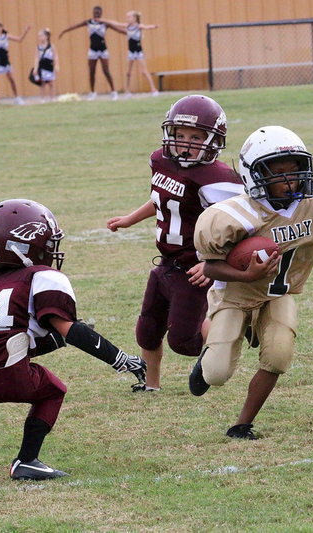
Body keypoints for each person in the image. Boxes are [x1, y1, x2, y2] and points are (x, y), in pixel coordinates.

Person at [0, 199, 146, 484]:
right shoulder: (42, 277)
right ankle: (27, 460)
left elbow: (2, 337)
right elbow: (71, 330)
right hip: (11, 374)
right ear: (25, 246)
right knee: (52, 390)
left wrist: (54, 341)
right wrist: (121, 360)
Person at [190, 126, 313, 439]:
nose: (289, 180)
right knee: (216, 374)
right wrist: (246, 274)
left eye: (293, 171)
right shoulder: (232, 215)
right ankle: (210, 353)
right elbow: (211, 267)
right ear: (252, 175)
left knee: (278, 357)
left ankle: (242, 424)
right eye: (278, 173)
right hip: (235, 295)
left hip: (278, 293)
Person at [106, 95, 244, 392]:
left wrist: (212, 263)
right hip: (166, 264)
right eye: (180, 135)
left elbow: (237, 227)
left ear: (214, 139)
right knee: (147, 330)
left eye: (196, 137)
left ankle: (222, 341)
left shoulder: (219, 179)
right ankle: (151, 385)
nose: (186, 143)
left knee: (183, 341)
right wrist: (132, 218)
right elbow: (163, 198)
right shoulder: (160, 160)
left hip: (192, 268)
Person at [59, 5, 118, 100]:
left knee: (106, 71)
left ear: (101, 14)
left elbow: (118, 29)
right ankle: (93, 92)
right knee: (91, 71)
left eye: (98, 13)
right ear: (93, 13)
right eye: (95, 13)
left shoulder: (105, 23)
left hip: (103, 50)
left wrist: (129, 33)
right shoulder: (88, 22)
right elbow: (75, 26)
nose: (96, 14)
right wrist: (64, 31)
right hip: (92, 50)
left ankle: (113, 92)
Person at [103, 10, 159, 97]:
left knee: (144, 71)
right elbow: (117, 23)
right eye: (127, 17)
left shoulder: (138, 26)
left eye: (129, 17)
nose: (127, 19)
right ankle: (127, 91)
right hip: (131, 52)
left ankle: (153, 89)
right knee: (128, 72)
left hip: (139, 51)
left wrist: (154, 26)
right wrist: (105, 21)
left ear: (135, 18)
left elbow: (147, 27)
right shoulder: (127, 26)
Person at [0, 21, 30, 105]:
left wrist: (26, 31)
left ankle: (17, 97)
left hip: (5, 60)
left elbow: (19, 39)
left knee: (11, 79)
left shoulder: (6, 36)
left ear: (1, 28)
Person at [33, 29, 58, 102]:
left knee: (51, 83)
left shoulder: (51, 46)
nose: (40, 37)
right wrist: (35, 68)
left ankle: (53, 98)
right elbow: (36, 58)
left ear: (46, 37)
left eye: (41, 36)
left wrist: (56, 65)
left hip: (49, 65)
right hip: (42, 65)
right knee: (42, 83)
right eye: (39, 36)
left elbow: (55, 56)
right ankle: (42, 98)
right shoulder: (38, 47)